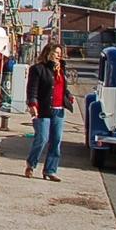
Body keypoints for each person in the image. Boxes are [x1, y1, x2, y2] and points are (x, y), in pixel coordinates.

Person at [25, 43, 72, 181]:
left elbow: (61, 88)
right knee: (42, 138)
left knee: (56, 140)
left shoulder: (61, 70)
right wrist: (32, 104)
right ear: (48, 53)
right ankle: (31, 164)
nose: (59, 55)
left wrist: (68, 96)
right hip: (44, 110)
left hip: (58, 110)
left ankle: (50, 170)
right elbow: (32, 89)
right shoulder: (38, 69)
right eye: (56, 52)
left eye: (60, 53)